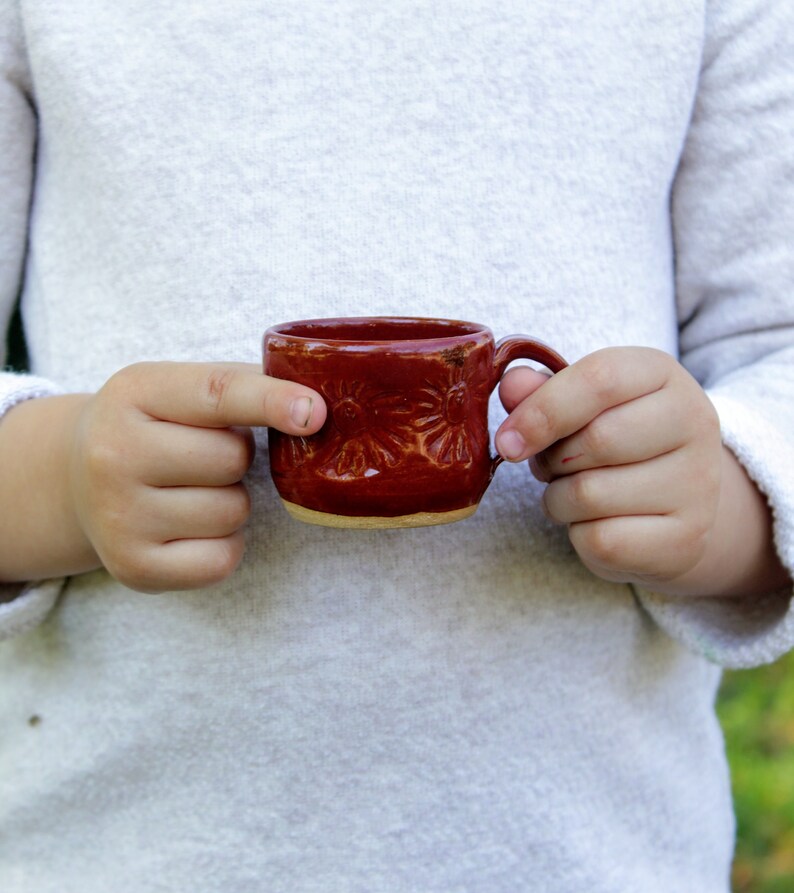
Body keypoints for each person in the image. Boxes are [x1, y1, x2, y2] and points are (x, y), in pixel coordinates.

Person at [1, 2, 792, 891]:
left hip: (593, 853)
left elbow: (779, 341)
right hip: (112, 853)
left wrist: (723, 501)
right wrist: (57, 479)